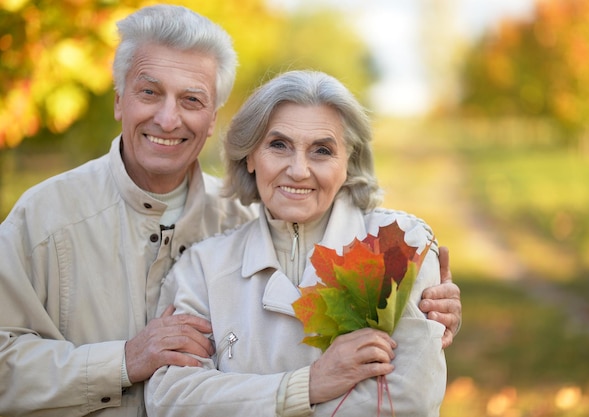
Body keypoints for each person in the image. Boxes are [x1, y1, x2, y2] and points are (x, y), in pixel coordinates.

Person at [0, 4, 460, 417]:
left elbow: (410, 395)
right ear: (119, 99)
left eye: (191, 100)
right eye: (149, 93)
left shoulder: (244, 220)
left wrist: (428, 315)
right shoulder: (45, 219)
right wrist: (123, 361)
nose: (167, 118)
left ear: (214, 117)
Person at [146, 70, 447, 417]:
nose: (299, 170)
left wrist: (236, 398)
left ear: (348, 162)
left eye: (322, 150)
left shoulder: (399, 244)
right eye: (279, 145)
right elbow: (171, 399)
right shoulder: (203, 268)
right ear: (250, 156)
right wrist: (309, 384)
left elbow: (409, 401)